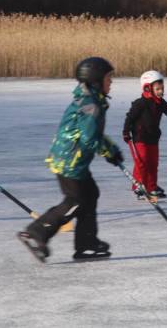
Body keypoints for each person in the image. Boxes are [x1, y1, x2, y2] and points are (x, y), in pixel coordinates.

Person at [17, 57, 123, 262]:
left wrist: (112, 149)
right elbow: (89, 138)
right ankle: (36, 232)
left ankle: (87, 242)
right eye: (108, 78)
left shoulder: (92, 100)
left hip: (74, 159)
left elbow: (94, 135)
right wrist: (108, 153)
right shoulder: (91, 105)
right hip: (69, 161)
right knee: (76, 201)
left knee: (90, 194)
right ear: (95, 80)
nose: (111, 82)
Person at [123, 70, 167, 200]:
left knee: (153, 163)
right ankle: (139, 185)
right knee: (142, 161)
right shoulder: (140, 103)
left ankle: (151, 187)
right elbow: (129, 117)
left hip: (153, 138)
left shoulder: (160, 103)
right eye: (158, 89)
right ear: (148, 88)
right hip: (140, 137)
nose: (161, 91)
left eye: (162, 88)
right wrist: (126, 132)